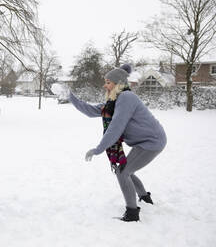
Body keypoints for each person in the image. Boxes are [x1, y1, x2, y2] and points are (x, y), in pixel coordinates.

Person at [69, 64, 166, 222]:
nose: (104, 85)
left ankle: (132, 214)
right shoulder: (113, 102)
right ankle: (145, 198)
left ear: (117, 83)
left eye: (108, 82)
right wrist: (70, 97)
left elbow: (116, 127)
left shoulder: (127, 98)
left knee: (123, 172)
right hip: (143, 142)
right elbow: (90, 111)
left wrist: (98, 149)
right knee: (127, 170)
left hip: (152, 141)